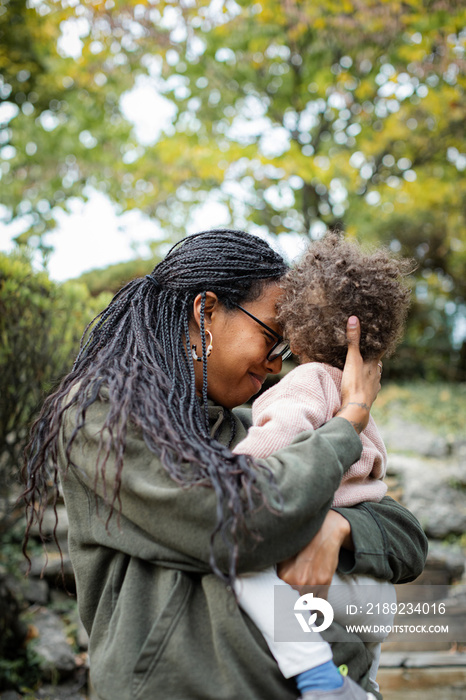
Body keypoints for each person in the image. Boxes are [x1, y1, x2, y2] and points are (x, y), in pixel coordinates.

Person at [21, 229, 427, 700]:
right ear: (206, 311)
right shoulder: (103, 413)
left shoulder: (246, 428)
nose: (277, 364)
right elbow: (236, 516)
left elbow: (406, 536)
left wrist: (337, 528)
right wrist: (349, 419)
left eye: (286, 352)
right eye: (272, 339)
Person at [233, 233, 413, 699]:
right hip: (373, 591)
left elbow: (270, 449)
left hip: (326, 587)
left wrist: (232, 470)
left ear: (296, 327)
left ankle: (315, 675)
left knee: (245, 570)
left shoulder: (306, 383)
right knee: (364, 673)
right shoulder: (359, 403)